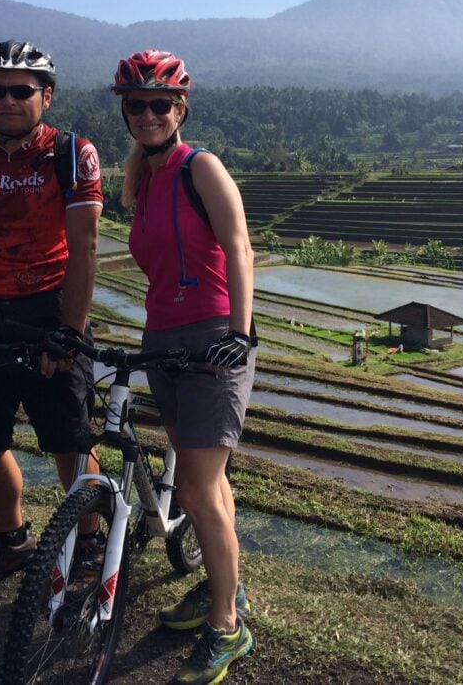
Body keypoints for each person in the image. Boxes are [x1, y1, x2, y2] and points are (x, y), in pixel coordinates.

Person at [112, 49, 256, 684]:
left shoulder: (202, 167)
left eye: (159, 104)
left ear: (181, 109)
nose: (148, 114)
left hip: (210, 340)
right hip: (161, 338)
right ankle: (226, 588)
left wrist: (240, 334)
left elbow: (238, 245)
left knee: (197, 489)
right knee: (206, 486)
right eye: (136, 104)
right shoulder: (141, 176)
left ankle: (227, 629)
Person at [0, 40, 103, 598]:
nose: (7, 100)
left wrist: (70, 331)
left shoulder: (70, 154)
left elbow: (85, 249)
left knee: (68, 438)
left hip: (48, 308)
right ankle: (13, 542)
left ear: (46, 96)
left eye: (21, 90)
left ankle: (88, 538)